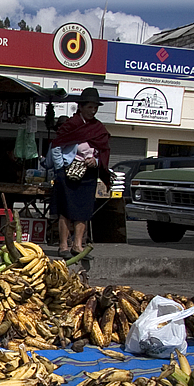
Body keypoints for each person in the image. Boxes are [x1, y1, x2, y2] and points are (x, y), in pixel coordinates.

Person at [47, 89, 111, 260]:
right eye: (90, 106)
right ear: (81, 107)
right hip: (68, 174)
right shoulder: (71, 125)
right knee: (66, 210)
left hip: (88, 175)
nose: (93, 110)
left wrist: (96, 161)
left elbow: (103, 149)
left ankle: (78, 245)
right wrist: (61, 169)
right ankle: (63, 246)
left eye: (95, 107)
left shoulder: (98, 128)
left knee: (83, 211)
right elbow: (57, 146)